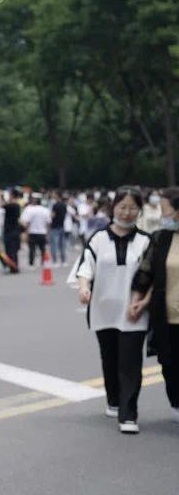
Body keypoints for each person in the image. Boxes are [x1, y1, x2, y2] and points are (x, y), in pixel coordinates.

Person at [70, 186, 151, 434]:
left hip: (133, 312)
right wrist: (84, 288)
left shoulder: (145, 241)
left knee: (130, 361)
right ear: (113, 208)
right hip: (103, 309)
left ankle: (128, 414)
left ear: (139, 211)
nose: (127, 213)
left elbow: (153, 276)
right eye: (122, 207)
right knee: (110, 358)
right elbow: (85, 267)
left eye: (132, 208)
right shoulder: (99, 238)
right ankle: (114, 400)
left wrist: (144, 301)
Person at [130, 188, 179, 423]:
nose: (162, 214)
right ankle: (177, 403)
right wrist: (139, 299)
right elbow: (147, 273)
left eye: (165, 209)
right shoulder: (160, 238)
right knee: (169, 364)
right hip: (166, 314)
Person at [20, 194, 50, 267]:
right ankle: (43, 262)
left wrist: (26, 233)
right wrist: (47, 234)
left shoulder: (30, 209)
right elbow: (48, 223)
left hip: (32, 232)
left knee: (32, 249)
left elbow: (27, 223)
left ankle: (31, 263)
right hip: (42, 232)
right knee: (42, 249)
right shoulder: (46, 210)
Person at [2, 189, 23, 273]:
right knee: (14, 250)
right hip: (15, 230)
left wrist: (1, 196)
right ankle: (14, 266)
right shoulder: (17, 205)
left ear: (12, 195)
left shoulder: (11, 205)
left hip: (9, 231)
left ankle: (13, 267)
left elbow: (1, 205)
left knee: (10, 250)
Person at [49, 192, 69, 265]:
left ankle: (55, 261)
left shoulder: (55, 205)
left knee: (54, 244)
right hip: (62, 226)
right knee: (62, 245)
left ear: (57, 196)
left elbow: (52, 215)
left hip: (55, 226)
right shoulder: (64, 205)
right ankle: (63, 261)